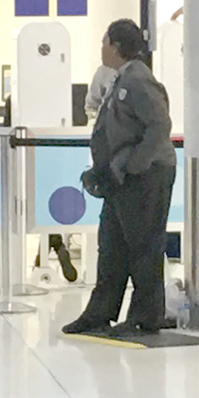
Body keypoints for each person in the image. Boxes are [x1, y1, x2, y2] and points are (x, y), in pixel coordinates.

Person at [65, 18, 175, 336]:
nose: (101, 48)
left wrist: (134, 166)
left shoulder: (139, 80)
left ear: (115, 46)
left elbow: (158, 127)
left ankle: (147, 314)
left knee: (142, 245)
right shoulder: (119, 78)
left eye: (104, 42)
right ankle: (100, 312)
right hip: (121, 177)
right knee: (111, 245)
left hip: (145, 176)